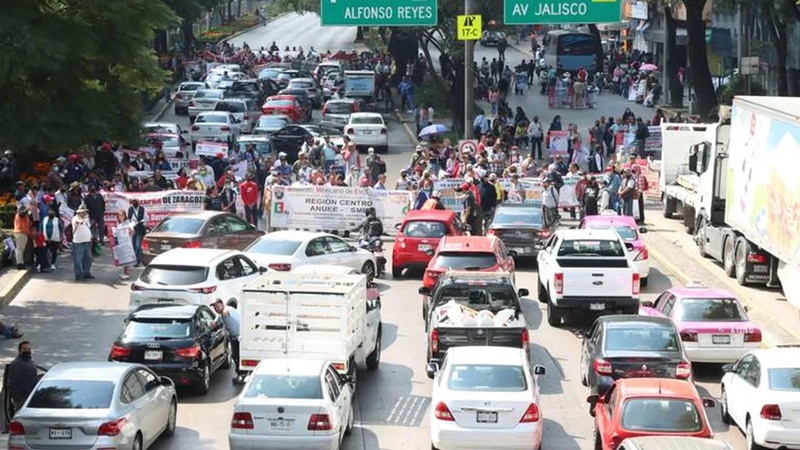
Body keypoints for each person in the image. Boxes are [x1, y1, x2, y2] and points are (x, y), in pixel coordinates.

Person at [212, 299, 243, 383]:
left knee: (237, 356)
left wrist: (224, 313)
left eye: (217, 307)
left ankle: (242, 375)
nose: (216, 309)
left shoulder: (227, 310)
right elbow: (216, 321)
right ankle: (241, 374)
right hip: (234, 337)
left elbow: (226, 313)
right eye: (215, 308)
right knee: (235, 356)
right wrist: (212, 324)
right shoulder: (220, 314)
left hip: (240, 337)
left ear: (222, 304)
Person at [7, 341, 36, 412]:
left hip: (29, 395)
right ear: (20, 351)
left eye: (29, 349)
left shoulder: (29, 360)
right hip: (22, 399)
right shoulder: (16, 364)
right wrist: (19, 399)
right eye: (24, 349)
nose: (27, 351)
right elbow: (11, 383)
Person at [72, 204, 94, 280]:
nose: (84, 213)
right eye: (83, 212)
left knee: (88, 258)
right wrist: (79, 222)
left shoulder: (86, 219)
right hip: (78, 242)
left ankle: (86, 272)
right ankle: (78, 275)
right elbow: (77, 222)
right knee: (78, 259)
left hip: (87, 241)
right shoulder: (75, 218)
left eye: (85, 212)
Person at [114, 209, 135, 280]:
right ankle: (124, 272)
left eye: (122, 215)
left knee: (127, 258)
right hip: (121, 243)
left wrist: (130, 230)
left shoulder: (128, 223)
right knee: (123, 259)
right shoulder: (118, 224)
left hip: (127, 243)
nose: (120, 217)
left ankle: (127, 273)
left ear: (124, 215)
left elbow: (132, 232)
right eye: (119, 215)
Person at [39, 206, 62, 271]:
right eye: (49, 211)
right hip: (45, 238)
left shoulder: (57, 220)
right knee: (43, 251)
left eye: (52, 211)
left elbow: (61, 228)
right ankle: (42, 264)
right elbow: (41, 228)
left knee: (54, 252)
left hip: (55, 238)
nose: (51, 212)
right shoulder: (44, 219)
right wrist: (40, 236)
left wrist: (61, 236)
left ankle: (53, 264)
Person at [127, 199, 147, 267]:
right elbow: (129, 219)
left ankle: (137, 260)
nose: (135, 202)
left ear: (138, 202)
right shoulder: (130, 209)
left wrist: (139, 222)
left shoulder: (142, 209)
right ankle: (136, 259)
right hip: (133, 228)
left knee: (138, 245)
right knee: (133, 245)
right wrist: (130, 226)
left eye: (136, 201)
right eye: (134, 201)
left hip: (140, 228)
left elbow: (145, 218)